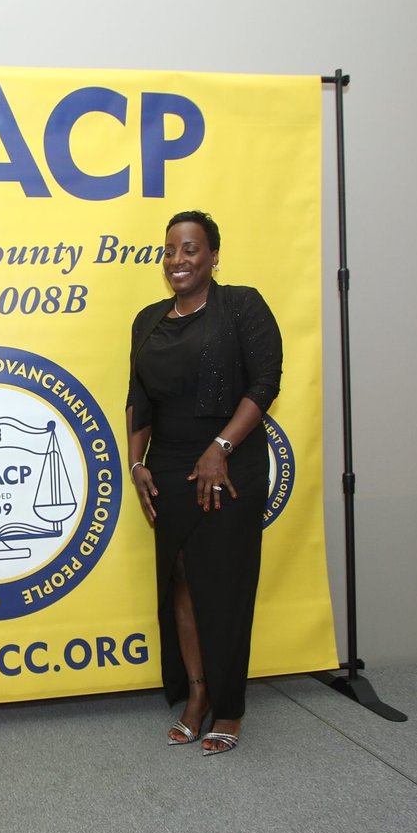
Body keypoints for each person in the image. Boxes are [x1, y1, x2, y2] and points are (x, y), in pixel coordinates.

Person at [124, 210, 282, 756]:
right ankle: (196, 695)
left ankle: (229, 706)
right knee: (182, 581)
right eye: (170, 250)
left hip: (229, 465)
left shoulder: (242, 305)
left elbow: (265, 382)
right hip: (168, 467)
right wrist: (136, 464)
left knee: (225, 585)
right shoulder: (147, 320)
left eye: (190, 249)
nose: (178, 260)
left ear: (214, 255)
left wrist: (221, 448)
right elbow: (138, 397)